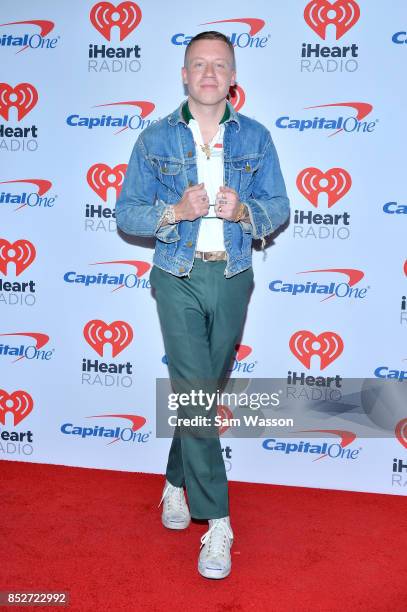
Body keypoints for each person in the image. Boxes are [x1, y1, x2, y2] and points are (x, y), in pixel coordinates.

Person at [115, 30, 289, 580]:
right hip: (176, 276)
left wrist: (244, 214)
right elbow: (127, 212)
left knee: (202, 391)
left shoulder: (257, 138)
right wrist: (173, 212)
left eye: (220, 65)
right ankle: (217, 522)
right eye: (199, 65)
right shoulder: (154, 139)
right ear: (184, 76)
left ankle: (173, 481)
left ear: (233, 78)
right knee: (193, 388)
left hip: (234, 275)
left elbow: (279, 205)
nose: (209, 74)